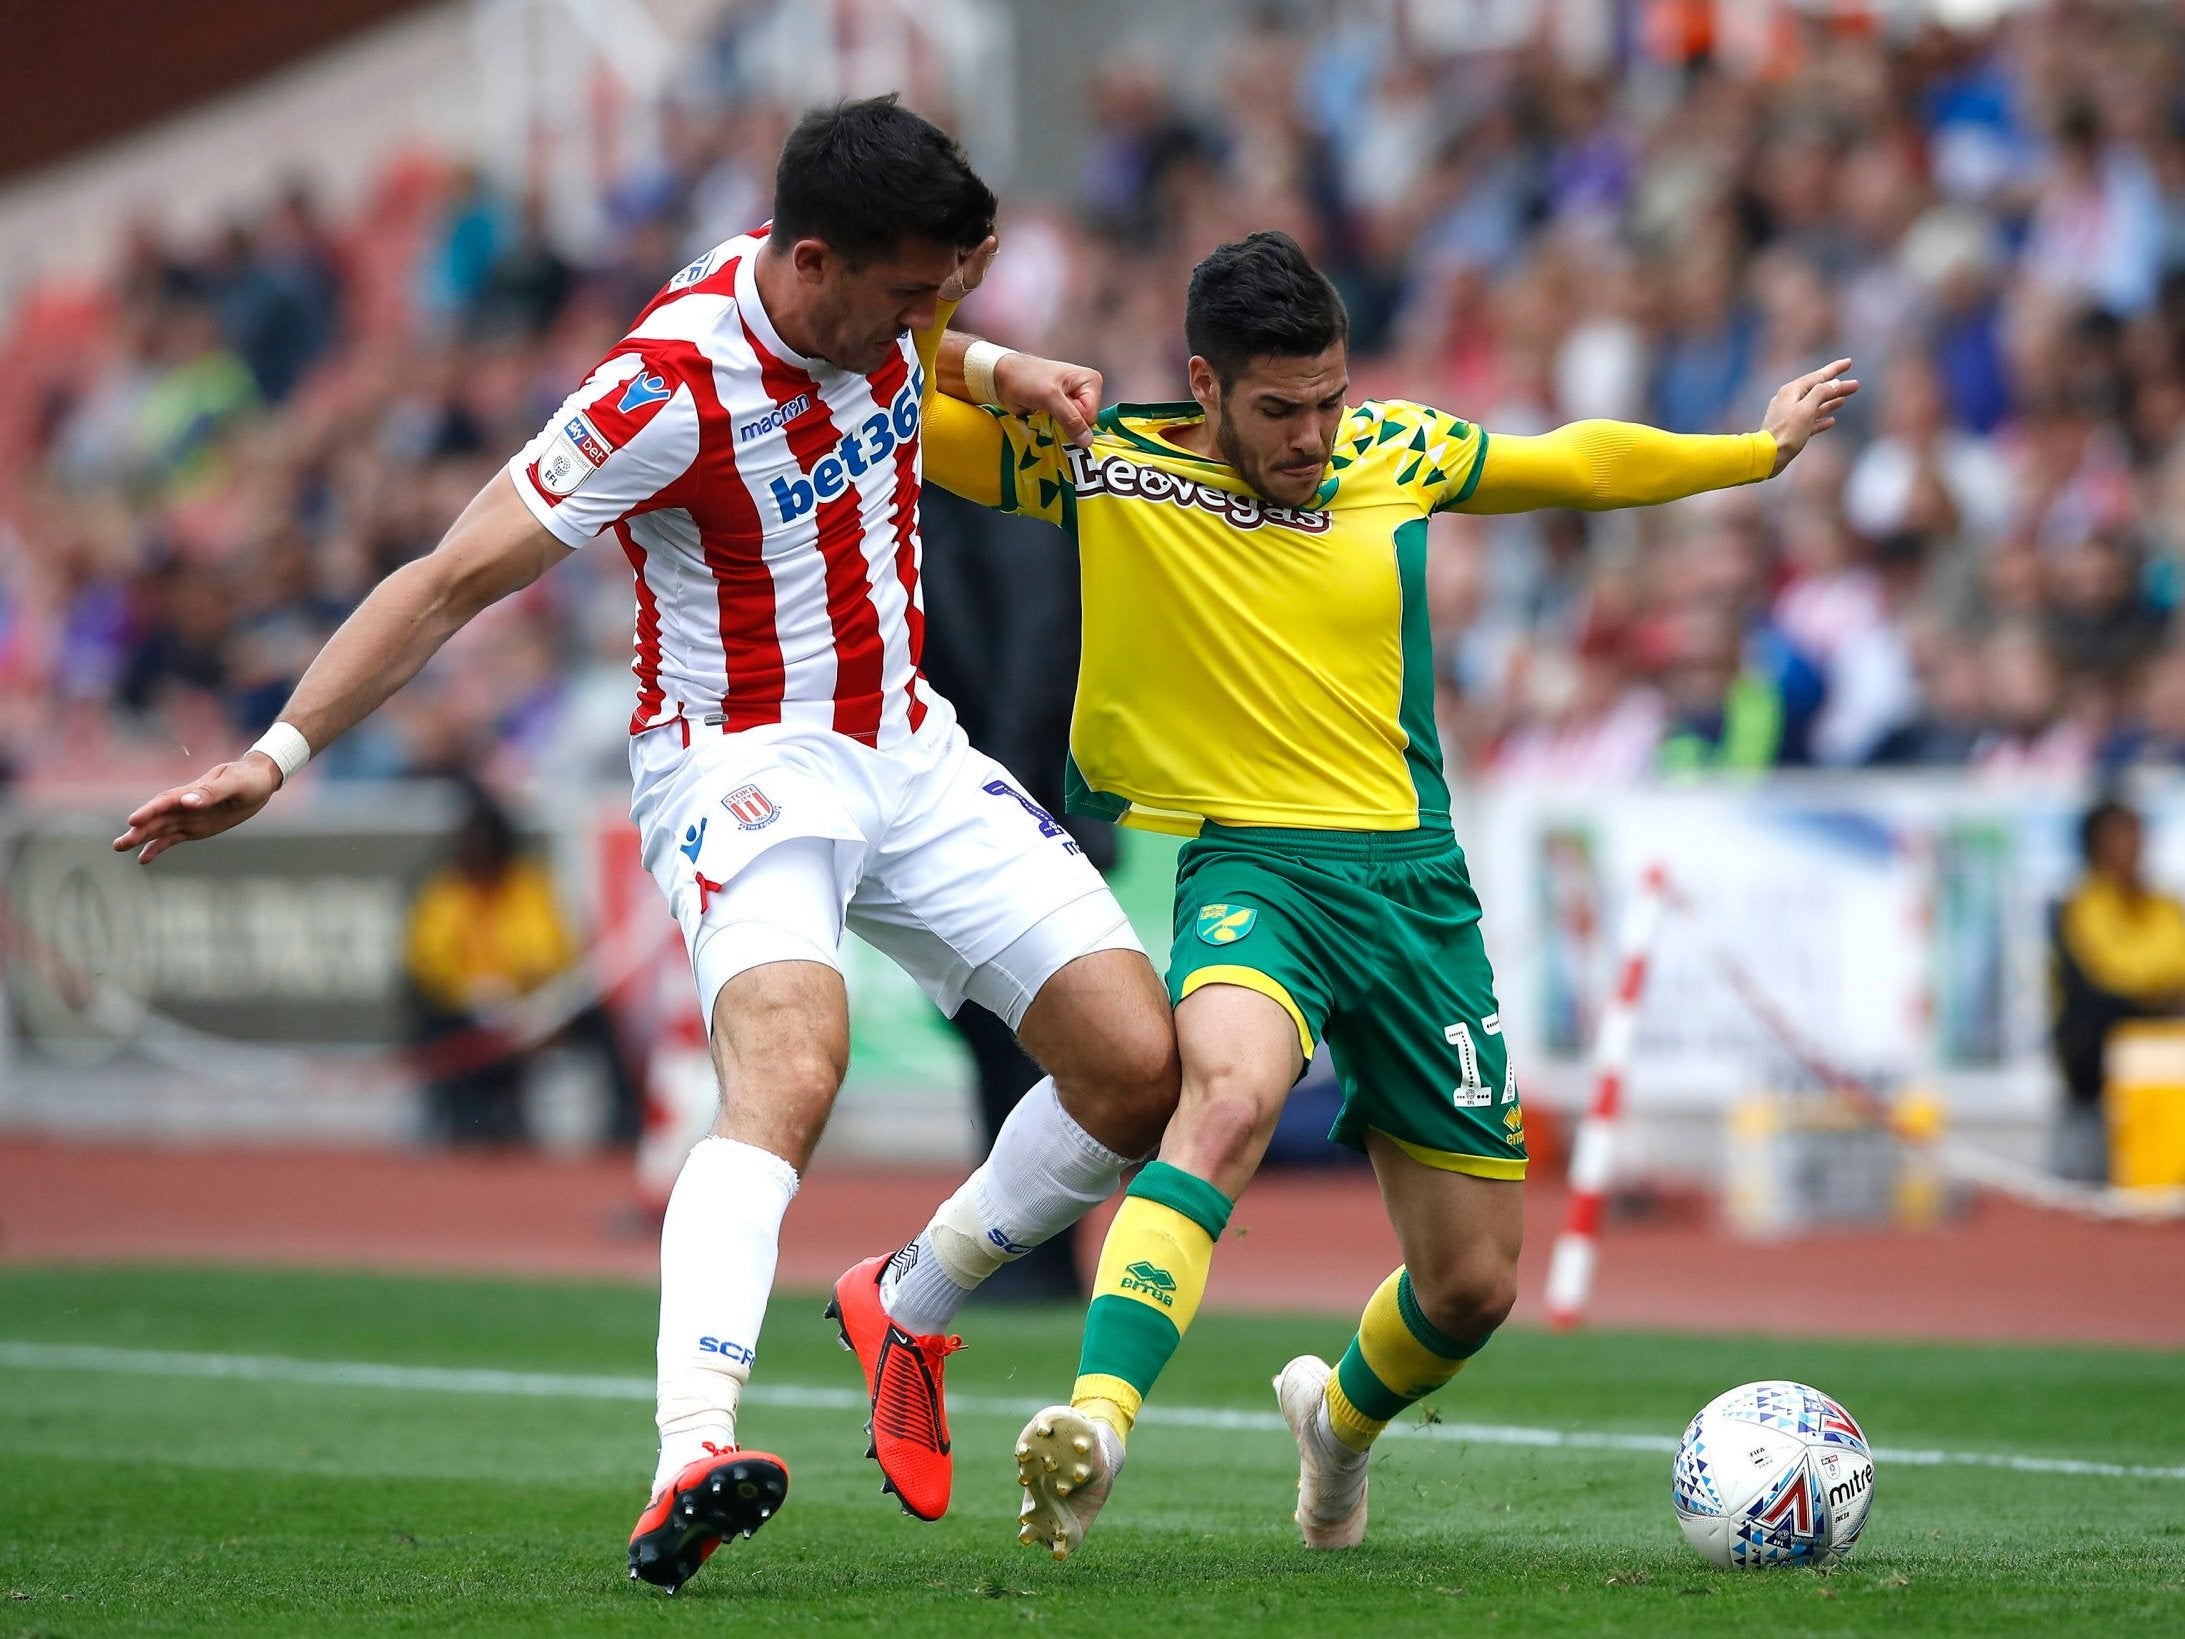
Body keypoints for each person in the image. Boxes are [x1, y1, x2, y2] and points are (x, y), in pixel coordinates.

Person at [113, 96, 1180, 1594]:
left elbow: (927, 342)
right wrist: (275, 754)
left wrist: (998, 364)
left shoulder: (871, 300)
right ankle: (693, 1442)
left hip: (908, 743)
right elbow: (442, 580)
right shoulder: (664, 388)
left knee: (1138, 1071)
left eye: (942, 297)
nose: (924, 324)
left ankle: (909, 1301)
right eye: (907, 296)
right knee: (790, 1069)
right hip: (741, 761)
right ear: (812, 264)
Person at [922, 230, 1854, 1557]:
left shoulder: (1396, 453)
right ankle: (1096, 1421)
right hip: (1254, 867)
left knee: (1471, 1283)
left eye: (1329, 400)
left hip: (1414, 888)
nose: (1311, 435)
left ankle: (1338, 1427)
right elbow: (883, 378)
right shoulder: (1104, 461)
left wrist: (1748, 452)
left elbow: (1574, 462)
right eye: (1278, 408)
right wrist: (988, 345)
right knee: (1226, 1099)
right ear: (1206, 381)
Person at [405, 780, 645, 1146]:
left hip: (531, 1007)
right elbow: (428, 960)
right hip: (466, 1007)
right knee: (429, 1024)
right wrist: (472, 992)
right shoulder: (445, 891)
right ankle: (466, 1124)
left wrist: (521, 994)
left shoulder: (527, 886)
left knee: (600, 1020)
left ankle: (625, 1121)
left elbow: (551, 952)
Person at [2050, 797, 2185, 1180]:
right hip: (2100, 1058)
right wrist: (2165, 993)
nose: (2134, 844)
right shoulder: (2082, 906)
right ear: (2095, 846)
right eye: (2121, 836)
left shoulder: (2163, 905)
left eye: (2137, 833)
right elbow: (2115, 974)